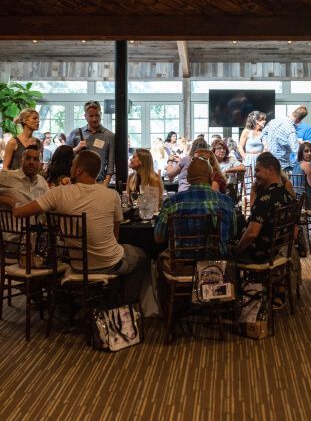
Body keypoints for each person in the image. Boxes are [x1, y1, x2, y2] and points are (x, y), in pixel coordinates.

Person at [11, 151, 147, 301]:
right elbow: (116, 236)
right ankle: (124, 304)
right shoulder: (112, 195)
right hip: (110, 263)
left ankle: (99, 300)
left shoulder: (58, 194)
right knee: (143, 256)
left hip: (78, 266)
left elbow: (19, 212)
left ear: (79, 170)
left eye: (73, 165)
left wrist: (10, 200)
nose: (71, 169)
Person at [154, 157, 236, 256]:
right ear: (211, 177)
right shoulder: (226, 202)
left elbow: (158, 238)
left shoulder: (172, 203)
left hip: (181, 266)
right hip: (216, 266)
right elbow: (232, 233)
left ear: (188, 179)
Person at [234, 152, 297, 263]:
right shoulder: (288, 196)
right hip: (277, 252)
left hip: (259, 255)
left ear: (270, 170)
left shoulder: (266, 198)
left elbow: (252, 233)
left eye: (258, 170)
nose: (256, 175)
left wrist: (235, 251)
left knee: (223, 252)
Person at [66, 100, 115, 184]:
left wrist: (106, 183)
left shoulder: (109, 136)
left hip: (98, 181)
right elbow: (65, 156)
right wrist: (77, 148)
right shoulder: (76, 133)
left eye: (97, 115)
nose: (94, 119)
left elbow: (111, 163)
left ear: (101, 114)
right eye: (91, 116)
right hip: (77, 181)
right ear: (85, 116)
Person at [265, 105, 307, 172]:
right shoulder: (291, 131)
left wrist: (265, 145)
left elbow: (264, 133)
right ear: (299, 120)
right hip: (282, 166)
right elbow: (296, 151)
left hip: (268, 163)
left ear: (293, 113)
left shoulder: (274, 121)